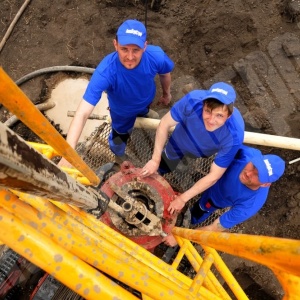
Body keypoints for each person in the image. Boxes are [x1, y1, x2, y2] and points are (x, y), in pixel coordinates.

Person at [59, 19, 174, 167]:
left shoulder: (156, 56)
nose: (130, 57)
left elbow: (165, 73)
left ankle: (144, 115)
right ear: (115, 45)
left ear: (145, 46)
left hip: (145, 101)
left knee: (147, 113)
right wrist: (69, 153)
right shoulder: (106, 72)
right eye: (124, 49)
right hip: (121, 114)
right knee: (120, 136)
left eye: (136, 50)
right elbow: (82, 113)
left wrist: (167, 94)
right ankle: (118, 153)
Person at [140, 82, 245, 216]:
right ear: (203, 105)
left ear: (229, 116)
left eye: (219, 115)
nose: (211, 120)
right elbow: (165, 124)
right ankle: (163, 169)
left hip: (203, 152)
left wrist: (183, 198)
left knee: (189, 159)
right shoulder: (192, 100)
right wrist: (155, 160)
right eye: (207, 111)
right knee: (167, 161)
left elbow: (214, 176)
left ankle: (183, 163)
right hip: (178, 142)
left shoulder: (234, 135)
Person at [163, 145, 285, 246]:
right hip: (214, 178)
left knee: (199, 211)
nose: (248, 173)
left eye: (257, 175)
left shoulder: (251, 204)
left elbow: (213, 228)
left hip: (214, 200)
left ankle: (191, 219)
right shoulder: (247, 154)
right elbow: (223, 145)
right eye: (253, 166)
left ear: (265, 184)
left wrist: (180, 238)